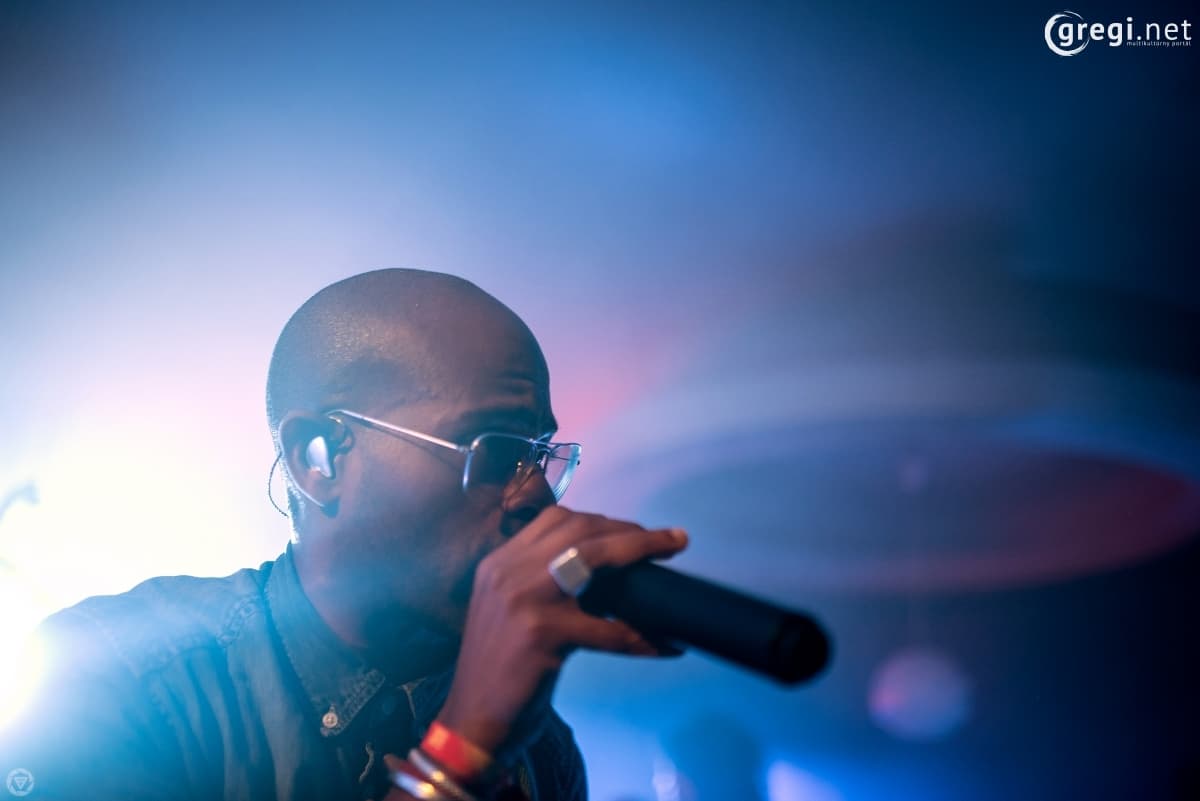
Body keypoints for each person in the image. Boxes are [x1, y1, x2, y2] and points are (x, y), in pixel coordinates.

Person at [0, 269, 688, 800]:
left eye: (542, 456)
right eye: (497, 450)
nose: (534, 492)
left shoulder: (537, 748)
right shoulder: (118, 675)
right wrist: (456, 761)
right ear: (319, 457)